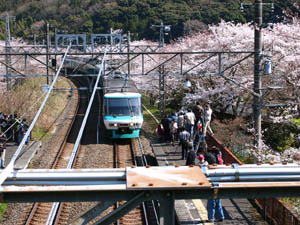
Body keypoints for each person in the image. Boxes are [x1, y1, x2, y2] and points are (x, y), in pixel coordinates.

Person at [206, 147, 224, 222]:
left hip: (213, 184)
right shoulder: (220, 161)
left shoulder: (210, 167)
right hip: (219, 183)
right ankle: (221, 216)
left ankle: (211, 218)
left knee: (211, 203)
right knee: (218, 202)